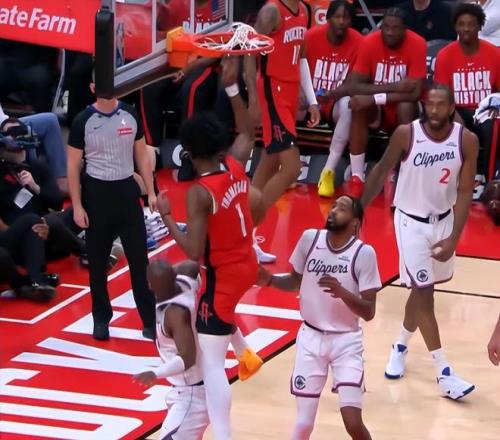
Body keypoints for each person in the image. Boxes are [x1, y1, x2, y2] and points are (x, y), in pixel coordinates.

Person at [157, 58, 264, 440]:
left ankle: (223, 434)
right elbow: (248, 131)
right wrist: (233, 88)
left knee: (214, 363)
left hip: (224, 275)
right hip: (247, 261)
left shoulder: (200, 194)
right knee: (204, 301)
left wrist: (167, 217)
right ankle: (247, 351)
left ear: (187, 152)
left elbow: (192, 250)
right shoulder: (234, 165)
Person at [361, 84, 478, 400]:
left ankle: (400, 345)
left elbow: (465, 192)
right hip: (410, 221)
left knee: (422, 291)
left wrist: (453, 238)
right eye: (430, 104)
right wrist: (358, 211)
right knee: (424, 293)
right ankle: (444, 373)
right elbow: (380, 171)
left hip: (444, 222)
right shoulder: (406, 134)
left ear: (452, 108)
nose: (434, 110)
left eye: (441, 105)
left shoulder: (466, 140)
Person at [258, 195, 381, 440]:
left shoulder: (364, 253)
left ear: (355, 222)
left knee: (353, 423)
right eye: (333, 206)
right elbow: (294, 281)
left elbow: (369, 312)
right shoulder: (309, 239)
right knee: (304, 423)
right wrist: (269, 280)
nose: (333, 211)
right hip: (310, 338)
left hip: (346, 341)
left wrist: (342, 292)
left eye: (342, 209)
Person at [67, 72, 157, 341]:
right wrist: (77, 206)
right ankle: (101, 319)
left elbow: (142, 155)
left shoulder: (129, 114)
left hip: (127, 194)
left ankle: (149, 321)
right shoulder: (82, 121)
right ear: (92, 86)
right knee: (97, 265)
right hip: (97, 196)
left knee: (140, 262)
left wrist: (151, 192)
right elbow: (73, 166)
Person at [245, 0, 320, 261]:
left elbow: (302, 58)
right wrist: (253, 97)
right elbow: (249, 53)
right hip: (272, 90)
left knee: (270, 160)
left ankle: (247, 237)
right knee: (292, 168)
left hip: (290, 91)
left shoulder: (304, 10)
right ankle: (246, 227)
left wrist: (312, 100)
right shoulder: (271, 11)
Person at [347, 7, 427, 197]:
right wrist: (396, 86)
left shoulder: (418, 43)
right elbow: (354, 86)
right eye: (386, 27)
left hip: (404, 107)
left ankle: (402, 172)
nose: (390, 32)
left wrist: (374, 96)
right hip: (379, 109)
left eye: (395, 28)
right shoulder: (369, 42)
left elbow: (414, 93)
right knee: (358, 105)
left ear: (405, 30)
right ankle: (357, 176)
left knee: (405, 106)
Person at [133, 259, 209, 439]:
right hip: (189, 389)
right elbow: (192, 264)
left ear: (149, 285)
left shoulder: (175, 313)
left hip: (191, 395)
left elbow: (188, 357)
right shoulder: (185, 280)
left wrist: (155, 373)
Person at [434, 2, 500, 196]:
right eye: (461, 24)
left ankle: (489, 181)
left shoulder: (495, 53)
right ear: (455, 27)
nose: (466, 29)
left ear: (479, 26)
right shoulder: (445, 55)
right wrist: (452, 113)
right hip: (458, 109)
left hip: (484, 109)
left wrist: (497, 107)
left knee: (495, 125)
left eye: (471, 24)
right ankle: (451, 178)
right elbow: (442, 94)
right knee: (448, 123)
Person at [301, 0, 362, 197]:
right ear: (327, 18)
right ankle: (284, 164)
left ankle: (328, 170)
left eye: (346, 17)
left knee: (349, 105)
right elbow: (297, 69)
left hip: (335, 101)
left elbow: (353, 84)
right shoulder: (310, 37)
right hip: (308, 99)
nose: (342, 21)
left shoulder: (359, 42)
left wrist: (331, 95)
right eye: (337, 16)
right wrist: (309, 99)